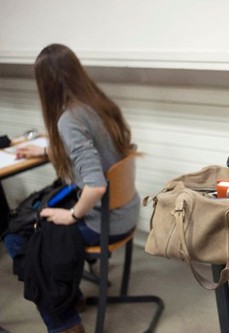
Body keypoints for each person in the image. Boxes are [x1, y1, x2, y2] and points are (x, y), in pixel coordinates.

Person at [3, 44, 139, 333]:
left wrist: (73, 216)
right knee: (36, 221)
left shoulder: (69, 120)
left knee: (20, 237)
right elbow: (95, 155)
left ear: (46, 84)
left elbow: (96, 185)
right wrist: (46, 151)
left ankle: (65, 323)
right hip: (125, 211)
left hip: (102, 221)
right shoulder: (100, 104)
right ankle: (69, 295)